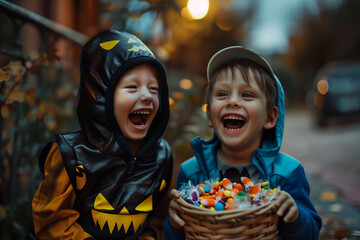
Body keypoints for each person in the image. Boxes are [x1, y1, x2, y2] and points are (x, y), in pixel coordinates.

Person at [164, 46, 322, 239]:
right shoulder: (191, 172)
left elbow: (311, 234)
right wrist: (174, 222)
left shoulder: (288, 173)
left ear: (270, 118)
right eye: (222, 94)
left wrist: (296, 217)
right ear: (209, 116)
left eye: (247, 95)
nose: (232, 101)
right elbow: (178, 235)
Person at [31, 29, 173, 240]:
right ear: (100, 95)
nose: (146, 96)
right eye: (132, 87)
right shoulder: (72, 155)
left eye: (154, 89)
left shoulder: (161, 157)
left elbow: (157, 220)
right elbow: (52, 222)